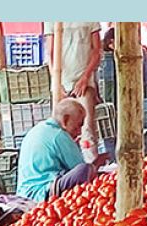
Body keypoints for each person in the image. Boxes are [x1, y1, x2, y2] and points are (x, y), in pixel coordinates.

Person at [17, 99, 105, 202]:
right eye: (78, 125)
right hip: (41, 192)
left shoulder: (39, 128)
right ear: (65, 120)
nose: (79, 132)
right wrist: (96, 164)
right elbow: (80, 169)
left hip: (24, 192)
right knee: (84, 169)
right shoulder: (59, 135)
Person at [60, 22, 104, 153]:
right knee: (63, 128)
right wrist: (57, 83)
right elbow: (50, 52)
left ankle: (90, 164)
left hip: (85, 82)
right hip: (62, 82)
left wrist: (85, 77)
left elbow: (97, 51)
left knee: (87, 127)